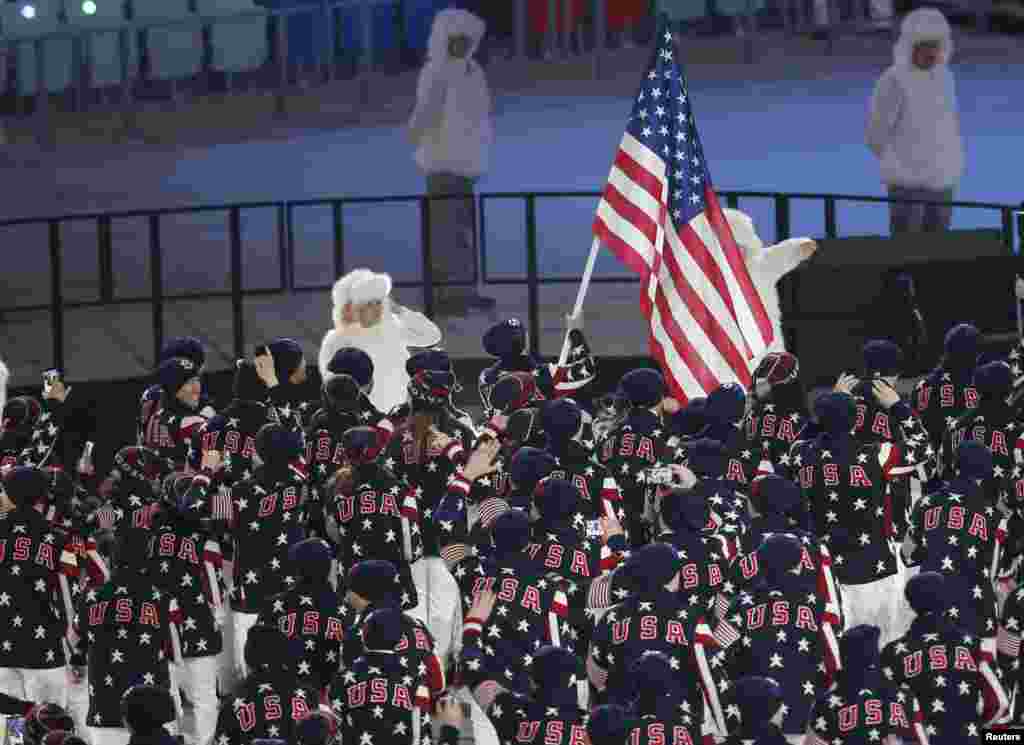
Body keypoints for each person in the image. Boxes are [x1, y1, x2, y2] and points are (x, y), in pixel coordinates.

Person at [407, 8, 494, 316]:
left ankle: (465, 289)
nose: (461, 44)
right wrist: (416, 139)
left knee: (465, 233)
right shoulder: (437, 72)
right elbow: (424, 115)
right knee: (445, 233)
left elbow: (480, 116)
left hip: (467, 164)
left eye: (465, 39)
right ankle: (445, 296)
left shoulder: (473, 71)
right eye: (455, 39)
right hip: (443, 164)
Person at [70, 528, 183, 745]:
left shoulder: (91, 596)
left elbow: (74, 638)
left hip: (104, 707)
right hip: (152, 714)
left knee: (10, 720)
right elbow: (176, 654)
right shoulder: (162, 598)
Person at [880, 572, 1008, 743]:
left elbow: (888, 714)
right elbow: (1000, 702)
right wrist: (972, 729)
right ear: (946, 601)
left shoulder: (891, 653)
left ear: (911, 605)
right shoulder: (976, 646)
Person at [867, 7, 962, 235]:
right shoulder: (894, 81)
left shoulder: (945, 78)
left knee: (938, 248)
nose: (930, 52)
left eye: (935, 46)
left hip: (942, 180)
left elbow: (949, 125)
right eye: (924, 46)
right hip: (907, 183)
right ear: (910, 46)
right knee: (907, 249)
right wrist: (901, 164)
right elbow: (876, 133)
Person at [0, 467, 78, 709]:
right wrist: (75, 649)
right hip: (45, 648)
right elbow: (71, 597)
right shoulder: (62, 538)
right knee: (48, 722)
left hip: (2, 645)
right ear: (43, 495)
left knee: (11, 721)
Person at [318, 269, 442, 413]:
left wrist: (399, 310)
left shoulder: (392, 328)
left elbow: (432, 336)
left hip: (400, 415)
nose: (378, 308)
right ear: (355, 308)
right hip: (363, 418)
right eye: (370, 303)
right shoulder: (337, 340)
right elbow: (332, 385)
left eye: (379, 301)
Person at [723, 209, 817, 358]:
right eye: (728, 247)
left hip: (765, 352)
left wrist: (801, 246)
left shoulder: (761, 264)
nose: (735, 252)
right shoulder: (708, 274)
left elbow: (793, 249)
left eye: (740, 247)